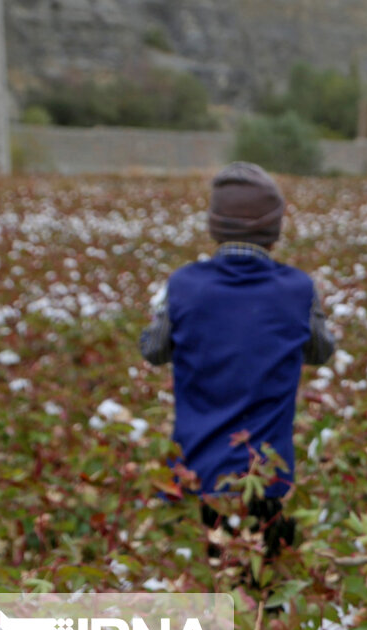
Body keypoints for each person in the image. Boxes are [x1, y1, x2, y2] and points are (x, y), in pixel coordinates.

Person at [140, 161, 335, 557]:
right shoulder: (297, 289)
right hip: (265, 476)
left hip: (193, 472)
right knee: (263, 595)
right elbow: (321, 351)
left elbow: (153, 350)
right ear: (274, 228)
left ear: (215, 224)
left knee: (196, 592)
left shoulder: (184, 285)